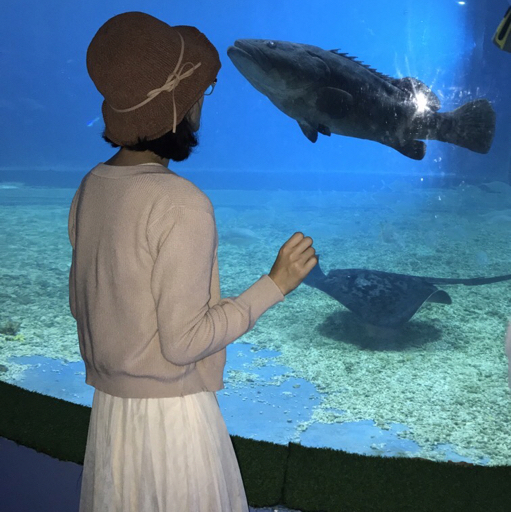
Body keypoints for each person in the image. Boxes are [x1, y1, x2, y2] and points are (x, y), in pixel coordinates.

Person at [69, 11, 317, 512]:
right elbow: (184, 342)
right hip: (171, 425)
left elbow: (83, 305)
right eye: (200, 91)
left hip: (112, 418)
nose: (203, 99)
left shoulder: (91, 187)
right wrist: (274, 285)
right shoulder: (181, 204)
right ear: (179, 106)